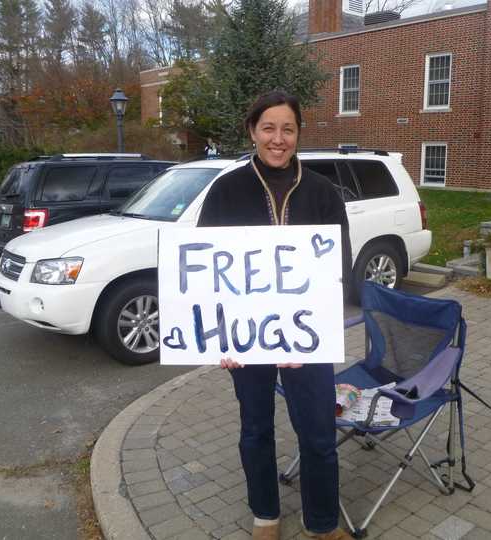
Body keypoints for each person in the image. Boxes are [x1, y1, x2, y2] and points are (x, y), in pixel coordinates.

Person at [197, 90, 352, 540]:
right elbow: (207, 271)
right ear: (252, 131)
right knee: (256, 428)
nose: (278, 139)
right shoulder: (227, 189)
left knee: (319, 434)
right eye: (269, 128)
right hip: (247, 339)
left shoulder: (322, 193)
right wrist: (221, 339)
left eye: (288, 128)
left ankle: (322, 523)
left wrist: (311, 335)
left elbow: (336, 269)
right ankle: (265, 515)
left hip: (307, 338)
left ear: (299, 133)